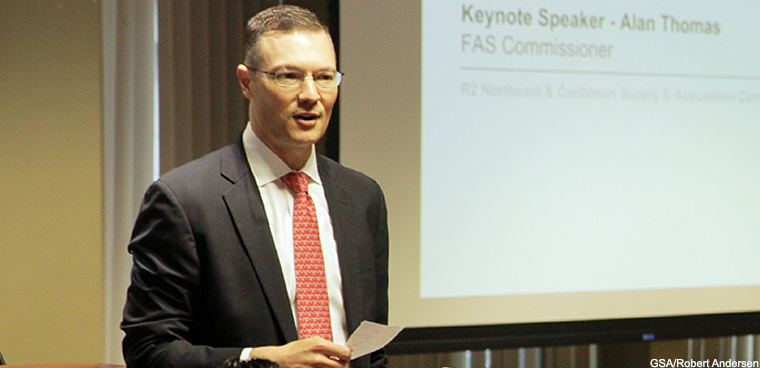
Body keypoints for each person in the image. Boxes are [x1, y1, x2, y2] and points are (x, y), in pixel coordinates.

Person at [120, 5, 389, 368]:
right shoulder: (185, 201)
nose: (311, 94)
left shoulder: (362, 197)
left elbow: (372, 348)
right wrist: (261, 361)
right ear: (246, 82)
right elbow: (149, 349)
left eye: (325, 77)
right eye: (288, 76)